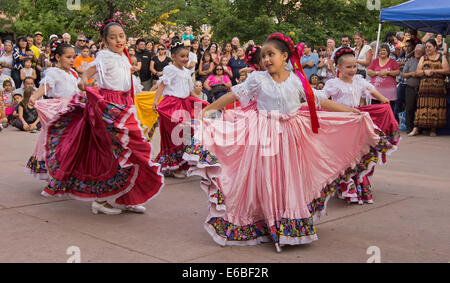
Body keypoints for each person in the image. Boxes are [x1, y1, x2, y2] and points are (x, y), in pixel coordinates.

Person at [195, 33, 396, 252]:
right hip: (264, 133)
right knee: (266, 177)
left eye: (271, 54)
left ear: (284, 56)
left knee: (289, 177)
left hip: (291, 135)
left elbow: (321, 100)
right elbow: (234, 94)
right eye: (264, 56)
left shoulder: (297, 79)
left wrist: (349, 111)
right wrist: (210, 108)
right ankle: (266, 221)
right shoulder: (257, 79)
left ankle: (287, 219)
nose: (266, 60)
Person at [39, 19, 164, 215]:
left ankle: (129, 197)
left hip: (124, 105)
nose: (118, 40)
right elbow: (87, 73)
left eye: (121, 36)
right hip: (108, 107)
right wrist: (84, 83)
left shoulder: (124, 57)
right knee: (108, 152)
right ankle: (101, 200)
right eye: (113, 37)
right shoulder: (103, 57)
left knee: (133, 150)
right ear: (104, 41)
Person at [323, 47, 398, 204]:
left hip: (357, 122)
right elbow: (323, 99)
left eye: (354, 66)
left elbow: (371, 89)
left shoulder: (359, 81)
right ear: (338, 67)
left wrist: (383, 100)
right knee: (344, 157)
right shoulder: (333, 84)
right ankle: (345, 186)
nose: (352, 70)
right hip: (341, 124)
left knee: (358, 155)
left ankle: (357, 186)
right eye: (348, 67)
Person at [152, 39, 211, 178]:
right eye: (182, 56)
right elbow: (162, 86)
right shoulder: (170, 69)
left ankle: (183, 163)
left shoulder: (186, 71)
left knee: (187, 133)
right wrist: (156, 101)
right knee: (175, 133)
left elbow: (190, 90)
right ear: (173, 56)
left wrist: (199, 100)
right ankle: (174, 166)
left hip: (184, 104)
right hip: (172, 104)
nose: (185, 59)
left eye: (187, 56)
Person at [26, 39, 80, 180]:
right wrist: (34, 97)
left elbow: (78, 90)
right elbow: (45, 87)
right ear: (58, 57)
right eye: (68, 57)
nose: (72, 60)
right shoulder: (53, 73)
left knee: (73, 141)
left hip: (73, 109)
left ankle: (67, 171)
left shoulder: (73, 73)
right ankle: (54, 171)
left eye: (73, 57)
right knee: (57, 140)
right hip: (60, 111)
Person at [409, 39, 450, 137]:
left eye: (429, 47)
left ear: (435, 47)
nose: (427, 49)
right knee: (422, 107)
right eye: (426, 47)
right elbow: (417, 72)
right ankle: (416, 128)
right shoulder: (423, 57)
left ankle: (433, 129)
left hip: (437, 87)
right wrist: (424, 72)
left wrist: (433, 70)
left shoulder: (441, 57)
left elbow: (447, 70)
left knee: (435, 107)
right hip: (425, 87)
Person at [368, 44, 400, 109]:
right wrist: (378, 73)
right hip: (376, 91)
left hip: (389, 92)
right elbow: (369, 72)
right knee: (375, 109)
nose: (382, 52)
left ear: (388, 51)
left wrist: (388, 72)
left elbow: (397, 72)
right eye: (380, 51)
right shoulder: (375, 61)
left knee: (389, 109)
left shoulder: (392, 61)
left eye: (384, 50)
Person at [402, 44, 425, 134]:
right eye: (416, 51)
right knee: (409, 108)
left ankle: (420, 128)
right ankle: (409, 127)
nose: (417, 52)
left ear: (423, 52)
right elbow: (403, 74)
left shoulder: (425, 61)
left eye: (419, 51)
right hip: (410, 87)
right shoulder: (410, 61)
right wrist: (411, 74)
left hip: (421, 88)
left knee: (420, 108)